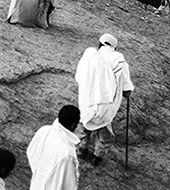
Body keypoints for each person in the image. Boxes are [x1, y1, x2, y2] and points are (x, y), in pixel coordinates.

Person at [76, 34, 133, 162]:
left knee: (84, 124)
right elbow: (127, 90)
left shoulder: (89, 57)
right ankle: (97, 156)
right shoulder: (119, 61)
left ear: (100, 44)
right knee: (104, 131)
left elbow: (79, 78)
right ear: (115, 48)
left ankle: (81, 150)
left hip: (87, 101)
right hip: (107, 105)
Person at [26, 106, 81, 190]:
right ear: (74, 125)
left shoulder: (44, 131)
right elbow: (69, 184)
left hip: (37, 183)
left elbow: (31, 151)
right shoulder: (68, 153)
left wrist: (40, 172)